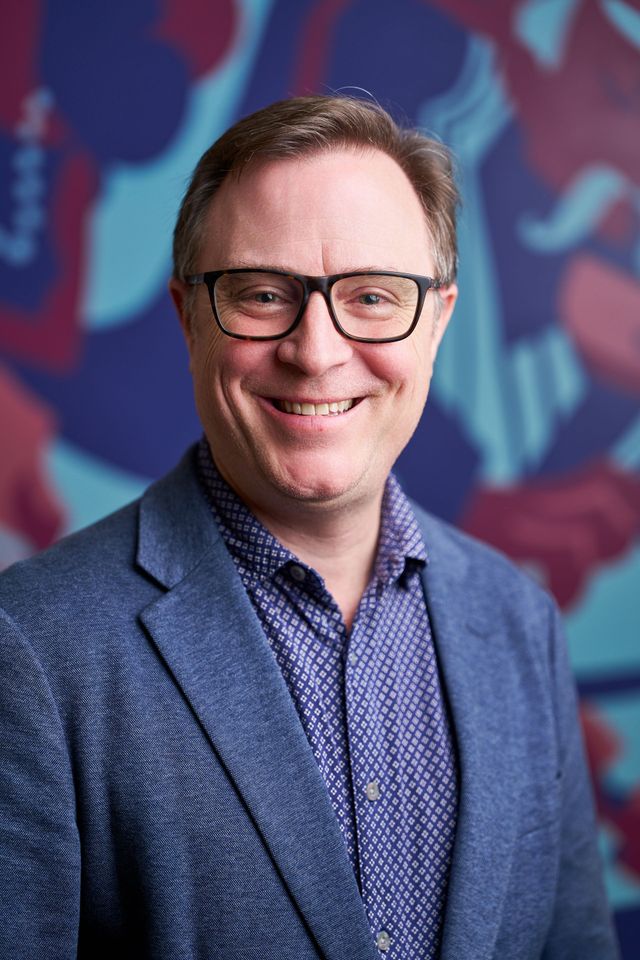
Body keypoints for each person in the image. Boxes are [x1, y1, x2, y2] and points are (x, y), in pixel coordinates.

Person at [0, 96, 618, 959]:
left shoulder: (519, 623)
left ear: (438, 321)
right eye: (262, 294)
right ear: (188, 318)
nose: (316, 351)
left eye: (372, 296)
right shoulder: (31, 647)